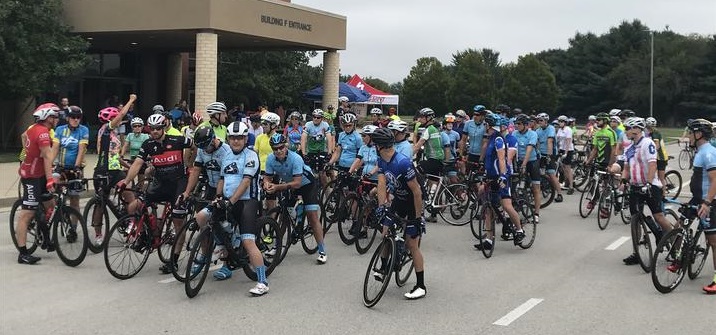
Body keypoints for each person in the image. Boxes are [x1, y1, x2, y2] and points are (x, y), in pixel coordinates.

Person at [116, 113, 195, 274]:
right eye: (152, 129)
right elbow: (137, 164)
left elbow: (194, 146)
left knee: (177, 222)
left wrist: (190, 164)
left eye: (158, 128)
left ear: (164, 126)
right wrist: (125, 181)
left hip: (178, 184)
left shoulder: (177, 140)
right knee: (136, 204)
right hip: (160, 183)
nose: (155, 131)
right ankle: (146, 234)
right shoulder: (148, 144)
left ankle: (173, 260)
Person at [370, 127, 427, 299]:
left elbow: (417, 192)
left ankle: (420, 286)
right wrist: (381, 206)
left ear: (380, 146)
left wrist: (417, 218)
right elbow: (381, 184)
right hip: (399, 200)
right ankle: (384, 266)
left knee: (412, 244)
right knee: (386, 231)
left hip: (413, 202)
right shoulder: (382, 160)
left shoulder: (402, 162)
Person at [265, 133, 328, 264]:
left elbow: (297, 183)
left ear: (286, 146)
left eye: (281, 147)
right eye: (275, 148)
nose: (279, 151)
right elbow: (267, 177)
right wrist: (266, 183)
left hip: (307, 184)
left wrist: (277, 187)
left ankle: (322, 250)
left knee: (312, 216)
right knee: (284, 216)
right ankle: (278, 246)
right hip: (289, 184)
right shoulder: (270, 159)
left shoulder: (295, 158)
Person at [181, 125, 234, 280]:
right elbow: (196, 170)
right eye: (201, 148)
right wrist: (187, 192)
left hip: (227, 187)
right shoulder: (203, 150)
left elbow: (225, 177)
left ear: (214, 141)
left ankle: (226, 264)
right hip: (211, 186)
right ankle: (205, 255)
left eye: (206, 147)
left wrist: (220, 197)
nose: (204, 150)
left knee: (224, 226)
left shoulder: (226, 152)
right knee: (202, 220)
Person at [620, 117, 673, 266]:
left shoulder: (647, 143)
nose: (626, 131)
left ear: (636, 129)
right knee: (635, 220)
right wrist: (624, 180)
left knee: (659, 217)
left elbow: (652, 165)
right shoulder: (629, 147)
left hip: (650, 186)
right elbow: (626, 168)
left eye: (627, 128)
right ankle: (637, 252)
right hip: (635, 187)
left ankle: (676, 245)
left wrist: (648, 183)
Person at [91, 95, 137, 247]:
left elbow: (114, 156)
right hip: (104, 170)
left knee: (129, 194)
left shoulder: (112, 135)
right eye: (115, 118)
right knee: (100, 203)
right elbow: (122, 114)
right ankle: (98, 234)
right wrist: (130, 100)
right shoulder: (106, 129)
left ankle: (130, 225)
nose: (119, 120)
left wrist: (129, 166)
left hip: (115, 169)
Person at [16, 104, 60, 264]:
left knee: (50, 204)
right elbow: (48, 157)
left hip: (37, 173)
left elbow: (23, 136)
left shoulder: (35, 128)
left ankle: (44, 234)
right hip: (31, 176)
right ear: (47, 118)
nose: (57, 119)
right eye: (55, 116)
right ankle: (22, 254)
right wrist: (50, 180)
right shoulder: (42, 133)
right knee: (26, 214)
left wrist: (29, 153)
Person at [475, 113, 526, 251]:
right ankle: (488, 240)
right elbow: (488, 159)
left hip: (501, 176)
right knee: (488, 209)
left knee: (507, 205)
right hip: (491, 176)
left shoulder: (498, 139)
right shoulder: (490, 138)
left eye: (486, 124)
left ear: (489, 125)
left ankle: (520, 230)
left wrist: (503, 175)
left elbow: (502, 159)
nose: (484, 125)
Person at [681, 119, 716, 294]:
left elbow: (715, 179)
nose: (687, 136)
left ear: (699, 134)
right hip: (697, 198)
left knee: (713, 241)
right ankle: (679, 259)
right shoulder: (700, 151)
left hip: (708, 201)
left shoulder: (708, 152)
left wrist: (708, 202)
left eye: (690, 132)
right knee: (681, 223)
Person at [413, 107, 449, 222]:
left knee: (416, 172)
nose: (421, 118)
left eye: (423, 117)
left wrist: (407, 157)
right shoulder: (434, 128)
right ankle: (433, 214)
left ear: (429, 118)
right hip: (438, 160)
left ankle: (423, 196)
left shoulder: (428, 129)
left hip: (433, 160)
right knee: (433, 186)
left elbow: (418, 145)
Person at [52, 105, 89, 214]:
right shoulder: (59, 130)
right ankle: (55, 215)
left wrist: (77, 167)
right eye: (73, 117)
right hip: (61, 167)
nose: (76, 119)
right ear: (67, 118)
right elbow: (54, 149)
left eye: (78, 117)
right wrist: (49, 164)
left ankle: (73, 227)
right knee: (53, 190)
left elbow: (81, 150)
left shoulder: (83, 130)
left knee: (74, 199)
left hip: (75, 168)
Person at [512, 114, 542, 222]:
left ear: (525, 125)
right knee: (515, 184)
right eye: (516, 124)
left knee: (535, 187)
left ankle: (536, 213)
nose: (517, 126)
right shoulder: (514, 133)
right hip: (519, 160)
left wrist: (524, 164)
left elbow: (529, 150)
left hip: (532, 161)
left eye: (519, 124)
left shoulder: (532, 134)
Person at [255, 112, 282, 209]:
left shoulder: (278, 138)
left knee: (271, 200)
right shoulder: (259, 138)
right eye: (262, 123)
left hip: (272, 171)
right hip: (259, 171)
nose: (263, 126)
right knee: (257, 199)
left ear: (274, 125)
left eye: (265, 124)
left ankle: (272, 222)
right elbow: (255, 153)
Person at [535, 112, 564, 202]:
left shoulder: (551, 128)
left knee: (551, 174)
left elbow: (550, 142)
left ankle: (559, 194)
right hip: (541, 153)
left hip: (550, 153)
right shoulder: (538, 130)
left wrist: (548, 155)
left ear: (546, 121)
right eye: (538, 120)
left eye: (541, 120)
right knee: (538, 172)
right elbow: (537, 143)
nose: (539, 122)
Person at [301, 109, 333, 187]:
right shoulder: (308, 124)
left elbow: (329, 139)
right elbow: (303, 139)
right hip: (310, 151)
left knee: (323, 174)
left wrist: (329, 152)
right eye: (314, 117)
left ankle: (327, 194)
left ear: (321, 118)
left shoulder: (325, 125)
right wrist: (303, 153)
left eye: (318, 117)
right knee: (309, 173)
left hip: (322, 151)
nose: (315, 119)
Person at [121, 117, 150, 185]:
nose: (137, 127)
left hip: (142, 160)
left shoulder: (145, 136)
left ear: (142, 127)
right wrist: (122, 155)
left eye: (139, 126)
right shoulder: (130, 135)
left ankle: (141, 191)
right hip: (132, 159)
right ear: (132, 127)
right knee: (127, 173)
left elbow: (148, 148)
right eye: (135, 126)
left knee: (141, 180)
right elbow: (125, 146)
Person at [459, 105, 487, 173]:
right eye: (474, 114)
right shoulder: (468, 124)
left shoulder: (486, 125)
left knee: (479, 178)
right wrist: (461, 154)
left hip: (481, 154)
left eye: (477, 115)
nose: (475, 116)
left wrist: (481, 160)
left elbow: (485, 144)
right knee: (468, 175)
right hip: (471, 154)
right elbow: (463, 140)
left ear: (483, 116)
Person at [645, 117, 668, 189]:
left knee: (661, 178)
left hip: (661, 157)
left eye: (650, 127)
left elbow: (656, 147)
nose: (649, 129)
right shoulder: (647, 133)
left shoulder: (656, 133)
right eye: (648, 127)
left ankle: (663, 195)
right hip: (654, 157)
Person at [556, 115, 575, 195]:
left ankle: (571, 186)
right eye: (559, 121)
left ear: (565, 122)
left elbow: (568, 141)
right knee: (563, 168)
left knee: (567, 168)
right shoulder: (560, 130)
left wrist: (566, 153)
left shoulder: (568, 129)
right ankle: (566, 182)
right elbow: (557, 140)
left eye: (561, 121)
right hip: (561, 149)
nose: (560, 123)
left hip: (568, 149)